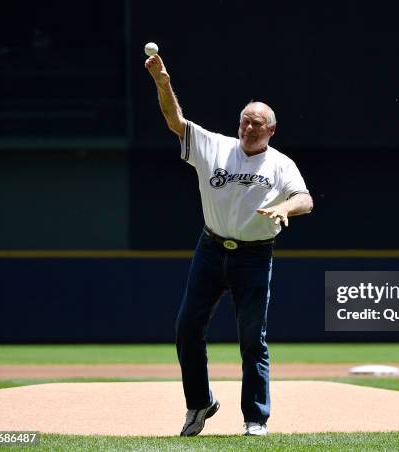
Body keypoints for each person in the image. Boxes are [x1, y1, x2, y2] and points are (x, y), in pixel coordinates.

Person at [145, 53, 313, 437]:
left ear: (271, 130)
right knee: (187, 327)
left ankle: (255, 418)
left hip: (254, 256)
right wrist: (162, 83)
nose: (249, 128)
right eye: (244, 121)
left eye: (257, 123)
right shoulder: (216, 147)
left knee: (253, 337)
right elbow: (176, 122)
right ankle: (199, 403)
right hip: (211, 249)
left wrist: (285, 207)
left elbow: (305, 199)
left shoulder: (281, 165)